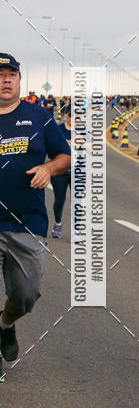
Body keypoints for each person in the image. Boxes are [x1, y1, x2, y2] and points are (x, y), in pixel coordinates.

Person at [0, 54, 70, 378]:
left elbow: (64, 156)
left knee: (26, 294)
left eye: (10, 74)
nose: (5, 79)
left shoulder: (39, 116)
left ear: (19, 79)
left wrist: (47, 168)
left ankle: (5, 323)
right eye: (0, 74)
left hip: (26, 221)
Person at [50, 105, 72, 238]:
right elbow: (51, 151)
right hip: (60, 171)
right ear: (66, 114)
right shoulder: (57, 130)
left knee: (77, 202)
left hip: (78, 171)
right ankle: (58, 223)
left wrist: (82, 144)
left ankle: (76, 231)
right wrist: (64, 145)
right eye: (71, 115)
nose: (74, 118)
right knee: (59, 200)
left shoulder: (84, 132)